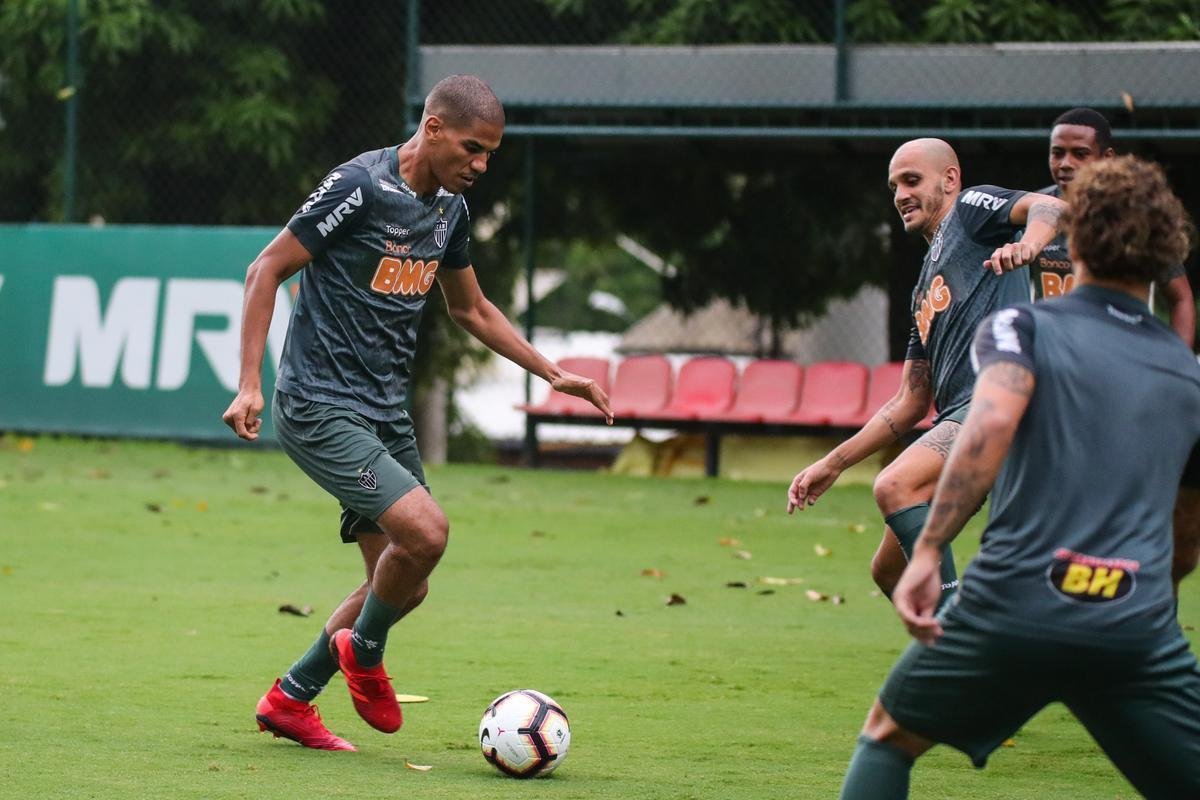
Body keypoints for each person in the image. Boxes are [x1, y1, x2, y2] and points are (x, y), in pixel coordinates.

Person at [221, 74, 613, 751]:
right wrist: (249, 383)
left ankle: (290, 699)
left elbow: (472, 310)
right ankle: (365, 656)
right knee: (427, 536)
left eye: (491, 153)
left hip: (383, 413)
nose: (481, 165)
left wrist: (553, 372)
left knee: (406, 582)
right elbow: (266, 270)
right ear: (432, 128)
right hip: (320, 406)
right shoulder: (358, 187)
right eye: (472, 148)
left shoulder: (448, 212)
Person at [838, 155, 1200, 800]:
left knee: (887, 738)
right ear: (1165, 252)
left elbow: (988, 427)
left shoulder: (1020, 327)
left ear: (1077, 240)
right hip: (1133, 623)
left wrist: (927, 552)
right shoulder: (1184, 374)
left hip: (1015, 603)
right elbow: (1186, 537)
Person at [787, 138, 1065, 609]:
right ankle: (961, 644)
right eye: (894, 185)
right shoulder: (923, 289)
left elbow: (1049, 207)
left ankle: (962, 641)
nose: (900, 194)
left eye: (912, 180)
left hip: (1001, 406)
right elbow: (909, 402)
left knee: (896, 485)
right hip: (959, 418)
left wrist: (1029, 247)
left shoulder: (971, 212)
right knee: (888, 571)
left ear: (950, 179)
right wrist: (830, 464)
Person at [1030, 107, 1194, 348]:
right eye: (1057, 153)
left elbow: (1181, 298)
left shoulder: (1134, 216)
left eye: (1080, 154)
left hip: (1122, 354)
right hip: (1055, 355)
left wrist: (1180, 362)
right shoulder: (1032, 209)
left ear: (1106, 158)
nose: (1066, 163)